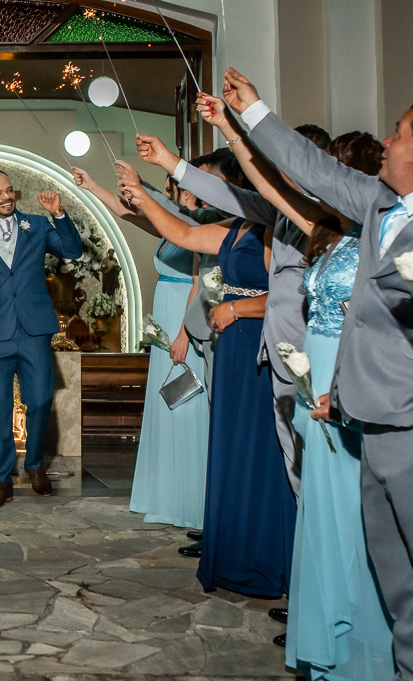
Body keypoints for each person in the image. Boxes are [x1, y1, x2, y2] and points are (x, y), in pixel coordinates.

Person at [219, 67, 413, 681]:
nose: (387, 144)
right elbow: (317, 172)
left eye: (398, 134)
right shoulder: (380, 206)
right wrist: (256, 112)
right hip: (365, 421)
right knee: (398, 587)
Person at [194, 95, 393, 675]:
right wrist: (233, 135)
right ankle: (321, 616)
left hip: (346, 376)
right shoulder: (324, 233)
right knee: (312, 491)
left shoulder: (385, 236)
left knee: (348, 502)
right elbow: (266, 187)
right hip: (312, 372)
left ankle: (357, 628)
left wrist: (241, 125)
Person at [119, 168, 295, 599]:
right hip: (231, 345)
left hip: (255, 340)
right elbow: (180, 233)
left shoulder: (277, 231)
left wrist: (236, 310)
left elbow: (290, 295)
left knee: (259, 450)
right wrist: (140, 194)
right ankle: (234, 553)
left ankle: (268, 557)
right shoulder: (231, 229)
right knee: (231, 448)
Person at [136, 123, 333, 508]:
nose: (274, 169)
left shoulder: (320, 219)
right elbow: (189, 234)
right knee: (240, 441)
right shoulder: (263, 214)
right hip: (242, 342)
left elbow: (287, 294)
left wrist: (236, 307)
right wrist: (157, 176)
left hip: (287, 341)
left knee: (286, 453)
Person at [71, 161, 215, 530]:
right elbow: (125, 212)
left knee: (185, 400)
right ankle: (164, 494)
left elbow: (201, 284)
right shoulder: (171, 227)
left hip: (185, 317)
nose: (176, 195)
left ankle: (190, 501)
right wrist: (91, 185)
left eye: (182, 189)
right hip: (166, 313)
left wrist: (186, 333)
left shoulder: (200, 228)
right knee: (166, 402)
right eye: (174, 190)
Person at [0, 169, 83, 507]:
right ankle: (1, 479)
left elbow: (72, 249)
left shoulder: (36, 225)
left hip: (34, 328)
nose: (6, 197)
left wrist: (59, 215)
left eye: (9, 191)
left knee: (39, 400)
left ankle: (35, 464)